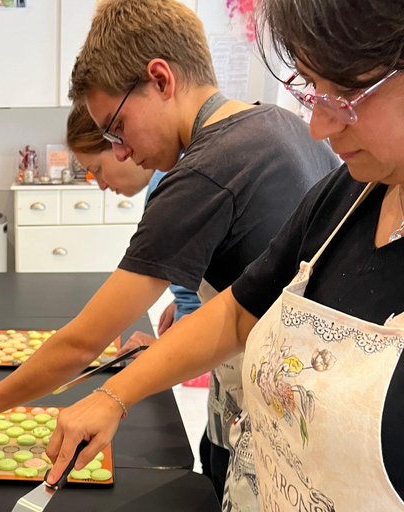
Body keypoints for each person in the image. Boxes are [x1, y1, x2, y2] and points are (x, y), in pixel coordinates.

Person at [0, 0, 340, 504]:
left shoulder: (202, 173)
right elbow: (264, 294)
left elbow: (81, 345)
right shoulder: (278, 123)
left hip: (273, 435)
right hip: (312, 411)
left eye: (117, 127)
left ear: (161, 80)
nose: (118, 151)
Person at [40, 0, 404, 509]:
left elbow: (81, 342)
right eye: (312, 91)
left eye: (343, 94)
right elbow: (236, 313)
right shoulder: (345, 195)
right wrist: (112, 394)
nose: (319, 126)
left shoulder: (208, 170)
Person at [66, 103, 201, 353]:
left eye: (97, 169)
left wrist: (164, 348)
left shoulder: (170, 188)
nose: (101, 185)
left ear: (121, 145)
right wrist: (184, 300)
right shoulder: (182, 166)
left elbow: (86, 340)